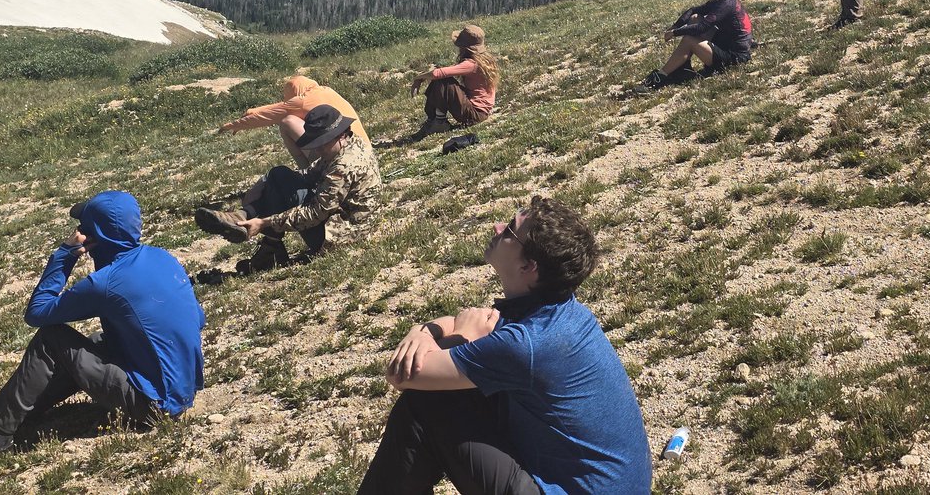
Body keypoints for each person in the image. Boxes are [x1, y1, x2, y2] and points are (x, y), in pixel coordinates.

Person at [358, 196, 652, 495]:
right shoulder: (555, 309)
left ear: (528, 266)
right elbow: (466, 320)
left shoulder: (526, 344)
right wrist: (423, 332)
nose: (498, 227)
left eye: (510, 230)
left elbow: (404, 375)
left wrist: (462, 338)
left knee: (426, 402)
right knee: (450, 393)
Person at [0, 191, 205, 452]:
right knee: (96, 341)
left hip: (153, 405)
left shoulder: (107, 282)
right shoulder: (162, 258)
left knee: (52, 339)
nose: (79, 232)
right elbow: (199, 318)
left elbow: (37, 313)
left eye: (84, 228)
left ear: (95, 236)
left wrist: (64, 255)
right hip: (184, 392)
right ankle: (24, 413)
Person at [195, 104, 381, 272]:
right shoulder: (351, 144)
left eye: (321, 144)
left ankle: (268, 246)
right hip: (346, 222)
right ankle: (243, 217)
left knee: (286, 187)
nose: (317, 150)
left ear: (340, 135)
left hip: (343, 236)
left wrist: (264, 222)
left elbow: (315, 213)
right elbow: (309, 174)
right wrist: (267, 181)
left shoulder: (344, 166)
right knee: (280, 175)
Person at [633, 0, 752, 93]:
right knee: (695, 17)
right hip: (727, 47)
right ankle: (683, 68)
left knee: (689, 39)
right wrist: (674, 26)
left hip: (735, 59)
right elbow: (692, 10)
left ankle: (659, 78)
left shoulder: (726, 5)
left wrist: (674, 32)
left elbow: (702, 28)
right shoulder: (721, 1)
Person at [217, 74, 370, 169]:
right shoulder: (327, 91)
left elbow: (267, 116)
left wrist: (231, 125)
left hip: (341, 155)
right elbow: (274, 108)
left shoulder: (300, 102)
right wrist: (251, 111)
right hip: (363, 150)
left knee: (287, 122)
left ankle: (307, 172)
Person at [409, 24, 498, 138]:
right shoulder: (485, 60)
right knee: (444, 79)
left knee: (443, 81)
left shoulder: (471, 64)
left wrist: (418, 78)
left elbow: (438, 73)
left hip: (474, 114)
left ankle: (438, 121)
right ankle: (436, 121)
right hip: (482, 113)